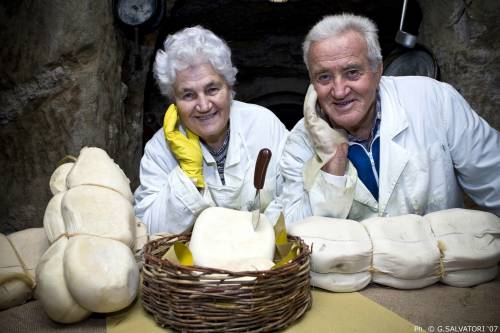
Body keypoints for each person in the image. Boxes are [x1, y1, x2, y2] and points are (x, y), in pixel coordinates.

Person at [280, 13, 500, 224]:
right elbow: (294, 233)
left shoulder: (434, 100)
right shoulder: (300, 142)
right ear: (311, 82)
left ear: (378, 70)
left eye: (352, 72)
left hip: (443, 257)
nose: (339, 91)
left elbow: (494, 180)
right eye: (324, 77)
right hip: (354, 264)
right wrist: (331, 170)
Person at [134, 26, 288, 234]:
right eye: (188, 95)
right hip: (192, 265)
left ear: (230, 88)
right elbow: (147, 229)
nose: (204, 105)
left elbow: (295, 195)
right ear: (174, 101)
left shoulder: (263, 124)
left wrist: (256, 236)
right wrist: (188, 176)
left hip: (265, 260)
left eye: (212, 89)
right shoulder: (159, 149)